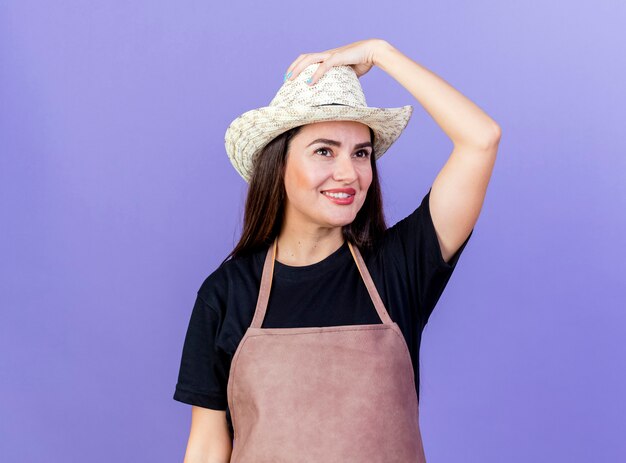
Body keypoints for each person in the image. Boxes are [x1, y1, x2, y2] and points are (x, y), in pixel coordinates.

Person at [173, 38, 500, 462]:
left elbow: (481, 138)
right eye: (324, 151)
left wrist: (382, 54)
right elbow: (207, 444)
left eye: (361, 153)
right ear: (279, 164)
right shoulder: (226, 292)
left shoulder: (399, 266)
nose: (348, 173)